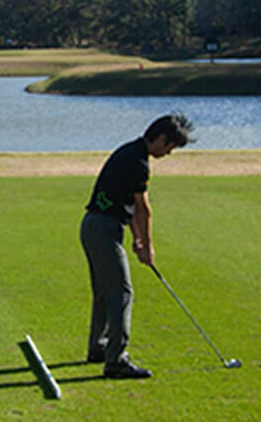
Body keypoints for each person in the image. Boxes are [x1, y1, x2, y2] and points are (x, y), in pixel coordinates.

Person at [81, 112, 194, 380]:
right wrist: (147, 247)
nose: (168, 154)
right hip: (103, 229)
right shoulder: (139, 162)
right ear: (161, 139)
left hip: (93, 226)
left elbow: (126, 204)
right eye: (170, 148)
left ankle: (99, 348)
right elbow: (143, 208)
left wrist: (137, 237)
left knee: (104, 292)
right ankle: (116, 360)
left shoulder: (130, 151)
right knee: (121, 293)